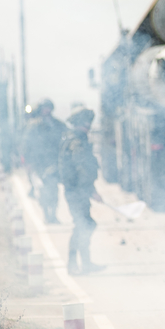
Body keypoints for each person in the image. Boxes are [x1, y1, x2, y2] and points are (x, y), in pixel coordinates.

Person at [59, 107, 105, 275]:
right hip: (77, 191)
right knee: (83, 225)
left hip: (78, 191)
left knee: (85, 224)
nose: (88, 127)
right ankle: (74, 264)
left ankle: (84, 263)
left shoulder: (77, 139)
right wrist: (90, 190)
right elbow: (82, 169)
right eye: (86, 123)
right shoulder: (76, 142)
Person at [22, 98, 67, 223]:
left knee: (53, 190)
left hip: (53, 161)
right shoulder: (34, 126)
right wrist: (28, 162)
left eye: (49, 108)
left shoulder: (57, 124)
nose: (47, 110)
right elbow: (26, 144)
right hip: (39, 163)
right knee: (43, 190)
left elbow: (66, 138)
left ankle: (53, 214)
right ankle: (47, 215)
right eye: (44, 108)